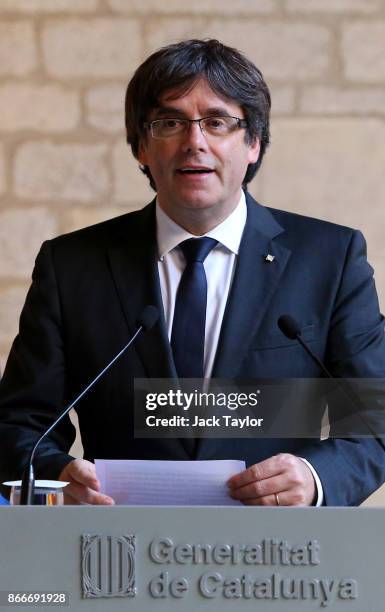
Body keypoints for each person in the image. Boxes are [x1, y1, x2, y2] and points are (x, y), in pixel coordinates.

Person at [0, 39, 384, 507]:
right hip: (114, 552)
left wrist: (315, 477)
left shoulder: (329, 259)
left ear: (254, 143)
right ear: (141, 147)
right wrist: (58, 476)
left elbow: (374, 420)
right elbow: (20, 424)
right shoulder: (73, 266)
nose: (194, 141)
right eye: (170, 122)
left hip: (281, 558)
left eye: (218, 122)